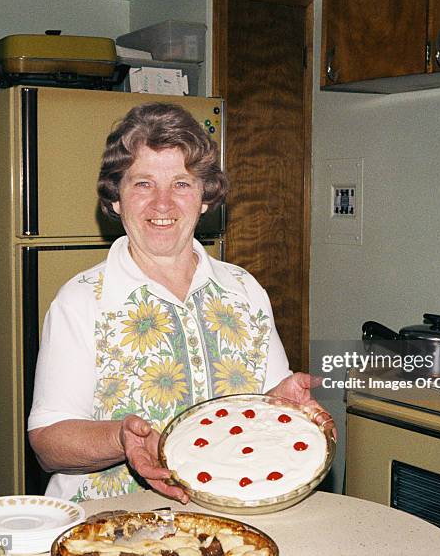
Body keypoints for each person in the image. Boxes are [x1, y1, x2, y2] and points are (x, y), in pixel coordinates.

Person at [28, 102, 334, 503]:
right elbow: (49, 444)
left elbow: (265, 409)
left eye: (181, 184)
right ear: (115, 198)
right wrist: (121, 438)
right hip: (111, 526)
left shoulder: (243, 290)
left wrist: (285, 407)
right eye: (142, 184)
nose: (162, 204)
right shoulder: (82, 300)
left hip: (231, 515)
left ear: (205, 197)